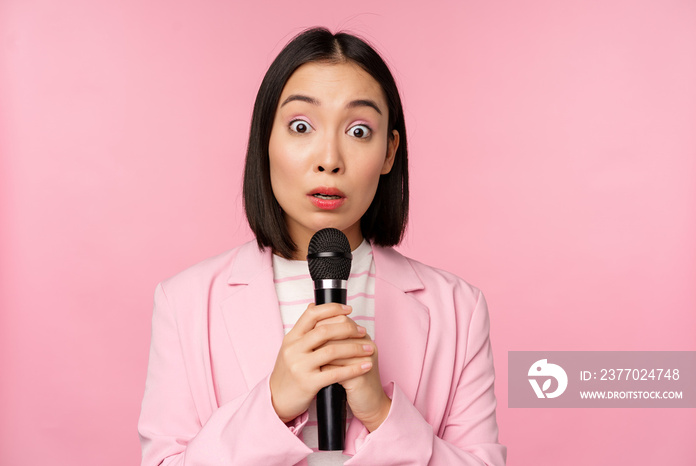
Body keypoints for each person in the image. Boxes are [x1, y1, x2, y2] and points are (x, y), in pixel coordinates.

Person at [138, 27, 507, 465]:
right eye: (300, 126)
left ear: (390, 152)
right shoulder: (185, 303)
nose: (329, 159)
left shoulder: (459, 309)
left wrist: (383, 415)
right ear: (265, 140)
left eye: (358, 130)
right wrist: (272, 404)